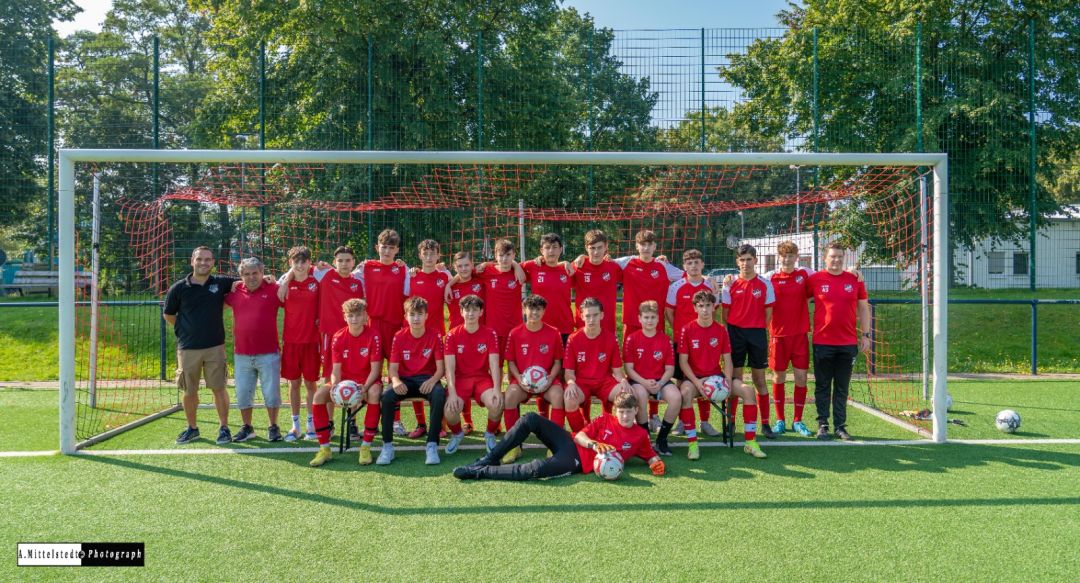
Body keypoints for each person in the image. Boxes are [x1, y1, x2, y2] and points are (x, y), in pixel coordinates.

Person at [452, 392, 665, 481]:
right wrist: (594, 445)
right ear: (616, 410)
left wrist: (657, 464)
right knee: (530, 419)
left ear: (636, 410)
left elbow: (651, 457)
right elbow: (580, 435)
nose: (625, 415)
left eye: (629, 411)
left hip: (576, 463)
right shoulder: (605, 419)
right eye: (621, 411)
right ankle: (487, 459)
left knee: (536, 469)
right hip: (571, 443)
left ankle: (481, 472)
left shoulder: (640, 436)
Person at [278, 245, 364, 440]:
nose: (343, 264)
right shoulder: (323, 275)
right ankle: (329, 423)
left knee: (355, 376)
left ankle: (352, 423)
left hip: (353, 335)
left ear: (353, 262)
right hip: (328, 336)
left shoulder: (358, 282)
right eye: (340, 260)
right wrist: (285, 283)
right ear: (334, 262)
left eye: (347, 260)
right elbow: (298, 268)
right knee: (330, 380)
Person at [163, 246, 239, 445]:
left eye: (207, 259)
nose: (203, 263)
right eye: (199, 259)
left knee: (219, 388)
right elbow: (169, 315)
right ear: (192, 261)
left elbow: (247, 280)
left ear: (213, 262)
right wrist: (187, 329)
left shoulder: (221, 282)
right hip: (188, 348)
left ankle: (224, 428)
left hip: (215, 346)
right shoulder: (179, 288)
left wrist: (268, 278)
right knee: (189, 391)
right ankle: (192, 428)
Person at [678, 290, 766, 459]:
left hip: (717, 377)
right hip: (695, 379)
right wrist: (697, 383)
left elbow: (728, 360)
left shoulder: (721, 330)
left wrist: (726, 380)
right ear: (695, 308)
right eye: (701, 306)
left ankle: (750, 442)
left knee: (747, 391)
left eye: (708, 306)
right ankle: (693, 444)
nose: (704, 310)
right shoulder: (687, 329)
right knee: (685, 392)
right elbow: (683, 362)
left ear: (714, 308)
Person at [614, 229, 684, 428]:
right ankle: (633, 415)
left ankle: (653, 416)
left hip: (655, 325)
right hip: (632, 324)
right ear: (637, 246)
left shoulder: (663, 266)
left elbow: (689, 274)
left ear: (655, 247)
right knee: (633, 370)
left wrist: (711, 280)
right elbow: (603, 259)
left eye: (649, 244)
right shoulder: (626, 262)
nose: (645, 248)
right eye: (642, 244)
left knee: (656, 367)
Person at [807, 242, 871, 441]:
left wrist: (866, 335)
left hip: (847, 343)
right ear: (825, 258)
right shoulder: (815, 279)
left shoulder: (854, 279)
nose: (836, 260)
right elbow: (797, 298)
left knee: (842, 387)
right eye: (832, 256)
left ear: (844, 258)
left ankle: (840, 426)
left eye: (840, 257)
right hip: (822, 341)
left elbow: (863, 307)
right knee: (823, 386)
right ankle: (822, 425)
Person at [308, 299, 383, 467]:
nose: (354, 319)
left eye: (358, 315)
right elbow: (336, 370)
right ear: (345, 317)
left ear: (365, 316)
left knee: (375, 393)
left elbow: (376, 370)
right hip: (345, 383)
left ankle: (365, 447)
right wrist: (335, 387)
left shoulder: (374, 335)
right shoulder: (338, 337)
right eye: (350, 316)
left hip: (367, 382)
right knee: (319, 395)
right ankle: (325, 449)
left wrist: (365, 387)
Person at [377, 297, 447, 466]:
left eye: (420, 314)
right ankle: (387, 446)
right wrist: (395, 381)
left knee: (438, 394)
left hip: (427, 380)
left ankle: (431, 445)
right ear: (406, 316)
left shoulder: (434, 335)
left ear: (426, 316)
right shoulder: (399, 337)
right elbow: (392, 368)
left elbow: (441, 368)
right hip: (405, 381)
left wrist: (433, 380)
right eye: (412, 314)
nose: (416, 318)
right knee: (386, 396)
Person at [721, 244, 778, 440]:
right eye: (742, 259)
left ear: (755, 260)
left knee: (759, 380)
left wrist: (758, 329)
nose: (745, 263)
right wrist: (732, 331)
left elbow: (768, 312)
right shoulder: (729, 283)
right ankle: (731, 422)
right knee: (736, 380)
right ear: (737, 262)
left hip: (757, 335)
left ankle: (765, 423)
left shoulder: (765, 284)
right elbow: (725, 313)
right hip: (735, 334)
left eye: (749, 259)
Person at [224, 257, 284, 442]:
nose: (251, 277)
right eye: (247, 274)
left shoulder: (274, 289)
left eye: (255, 273)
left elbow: (292, 296)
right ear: (241, 276)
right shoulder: (233, 292)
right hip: (241, 354)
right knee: (242, 393)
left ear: (262, 272)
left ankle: (273, 426)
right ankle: (247, 427)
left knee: (271, 393)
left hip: (269, 353)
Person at [500, 295, 565, 463]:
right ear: (524, 310)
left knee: (558, 395)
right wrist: (519, 378)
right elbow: (511, 362)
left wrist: (550, 379)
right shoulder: (515, 333)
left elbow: (558, 362)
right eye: (531, 309)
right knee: (510, 396)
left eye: (538, 309)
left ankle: (554, 444)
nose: (534, 312)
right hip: (523, 382)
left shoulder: (553, 333)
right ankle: (514, 446)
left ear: (543, 311)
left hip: (547, 381)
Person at [564, 298, 646, 429]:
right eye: (588, 316)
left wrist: (624, 381)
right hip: (582, 382)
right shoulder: (573, 339)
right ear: (581, 316)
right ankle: (580, 435)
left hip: (604, 382)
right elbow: (569, 373)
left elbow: (617, 371)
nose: (591, 319)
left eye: (595, 315)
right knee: (569, 398)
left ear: (602, 315)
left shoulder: (610, 338)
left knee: (628, 395)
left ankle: (619, 433)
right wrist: (571, 383)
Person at [664, 248, 719, 436]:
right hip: (682, 342)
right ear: (684, 266)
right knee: (681, 382)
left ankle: (704, 422)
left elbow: (715, 310)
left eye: (697, 262)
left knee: (707, 377)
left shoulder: (710, 286)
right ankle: (683, 421)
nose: (693, 266)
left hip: (705, 342)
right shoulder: (676, 286)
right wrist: (681, 331)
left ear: (702, 264)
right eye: (689, 263)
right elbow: (669, 312)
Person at [763, 240, 814, 437]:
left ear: (796, 257)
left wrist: (852, 271)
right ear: (779, 257)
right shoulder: (770, 278)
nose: (787, 258)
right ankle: (780, 420)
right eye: (784, 255)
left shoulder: (804, 275)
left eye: (791, 255)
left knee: (801, 378)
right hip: (778, 336)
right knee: (779, 377)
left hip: (800, 336)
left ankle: (798, 420)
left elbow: (826, 276)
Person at [443, 294, 504, 453]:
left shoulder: (490, 333)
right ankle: (457, 434)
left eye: (474, 310)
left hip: (482, 379)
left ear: (481, 312)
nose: (470, 314)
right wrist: (452, 392)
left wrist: (497, 388)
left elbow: (494, 365)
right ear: (461, 312)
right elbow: (449, 368)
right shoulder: (452, 335)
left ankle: (490, 433)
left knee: (497, 404)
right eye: (467, 310)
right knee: (450, 410)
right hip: (460, 379)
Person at [405, 239, 452, 439]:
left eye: (433, 253)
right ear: (420, 255)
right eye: (426, 253)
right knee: (415, 376)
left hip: (437, 335)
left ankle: (440, 424)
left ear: (438, 256)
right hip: (415, 336)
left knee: (436, 380)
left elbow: (459, 278)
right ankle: (421, 423)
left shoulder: (445, 275)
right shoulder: (411, 277)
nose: (429, 257)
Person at [622, 301, 680, 455]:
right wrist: (644, 382)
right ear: (639, 318)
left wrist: (660, 383)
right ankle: (645, 439)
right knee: (640, 394)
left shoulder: (665, 339)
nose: (649, 321)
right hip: (639, 380)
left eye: (653, 317)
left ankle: (661, 440)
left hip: (660, 380)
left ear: (658, 319)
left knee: (676, 397)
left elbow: (670, 369)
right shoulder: (631, 339)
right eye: (646, 317)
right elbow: (628, 368)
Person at [279, 246, 321, 442]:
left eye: (304, 261)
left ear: (309, 263)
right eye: (296, 262)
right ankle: (295, 425)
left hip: (312, 342)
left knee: (311, 383)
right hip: (291, 342)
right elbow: (276, 293)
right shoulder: (284, 284)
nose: (300, 265)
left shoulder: (317, 281)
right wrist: (287, 279)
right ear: (290, 263)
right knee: (294, 383)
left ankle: (311, 424)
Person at [446, 250, 484, 433]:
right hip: (457, 337)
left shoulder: (480, 280)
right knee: (460, 376)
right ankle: (464, 421)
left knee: (478, 375)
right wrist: (449, 284)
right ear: (454, 267)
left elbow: (494, 265)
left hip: (479, 337)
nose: (463, 269)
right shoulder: (450, 286)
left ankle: (476, 420)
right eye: (459, 266)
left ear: (472, 265)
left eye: (467, 265)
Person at [572, 230, 622, 335]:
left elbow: (637, 264)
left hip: (607, 325)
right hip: (583, 325)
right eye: (592, 248)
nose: (596, 252)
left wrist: (657, 260)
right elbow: (553, 269)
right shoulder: (577, 266)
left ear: (606, 247)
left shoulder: (613, 267)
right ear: (586, 248)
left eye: (599, 247)